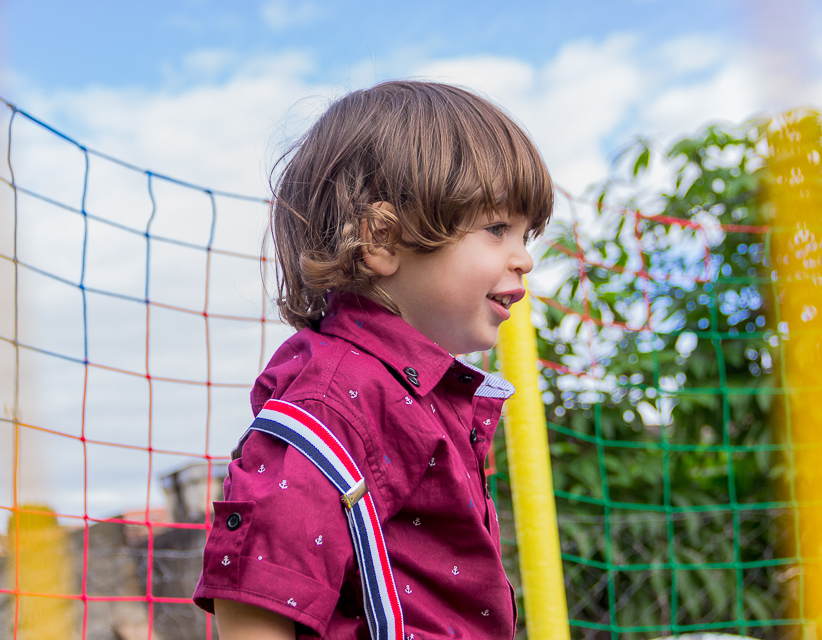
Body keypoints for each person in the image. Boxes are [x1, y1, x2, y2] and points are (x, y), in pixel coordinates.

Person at [192, 80, 554, 640]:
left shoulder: (417, 392)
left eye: (526, 233)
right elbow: (260, 591)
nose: (524, 257)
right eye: (497, 228)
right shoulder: (334, 397)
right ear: (382, 240)